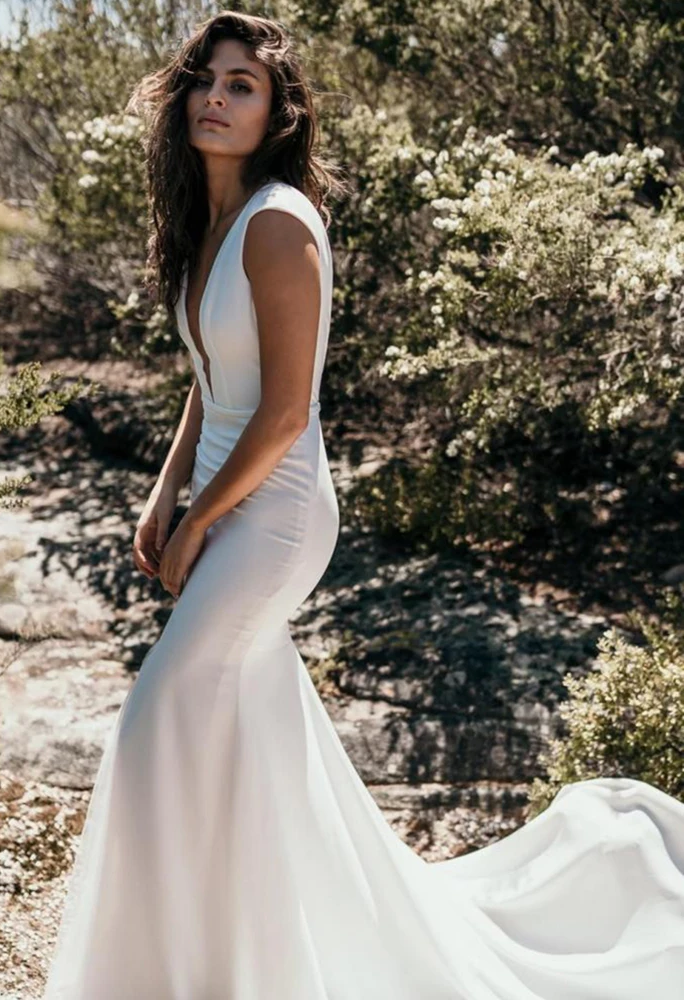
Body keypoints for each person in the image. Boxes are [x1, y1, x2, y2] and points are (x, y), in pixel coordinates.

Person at [42, 12, 684, 999]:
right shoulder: (211, 220)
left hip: (275, 513)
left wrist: (206, 516)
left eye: (242, 85)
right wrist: (166, 488)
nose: (216, 97)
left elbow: (287, 410)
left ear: (277, 111)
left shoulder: (278, 224)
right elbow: (216, 379)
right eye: (205, 80)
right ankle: (248, 964)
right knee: (239, 735)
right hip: (224, 494)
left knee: (154, 718)